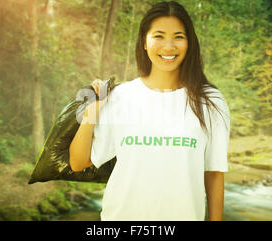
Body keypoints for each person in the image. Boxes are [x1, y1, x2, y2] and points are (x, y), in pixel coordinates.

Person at [69, 1, 230, 221]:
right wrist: (92, 110)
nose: (168, 46)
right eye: (159, 36)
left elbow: (213, 174)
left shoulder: (210, 101)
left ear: (190, 43)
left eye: (179, 37)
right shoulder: (120, 96)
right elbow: (78, 162)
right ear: (144, 42)